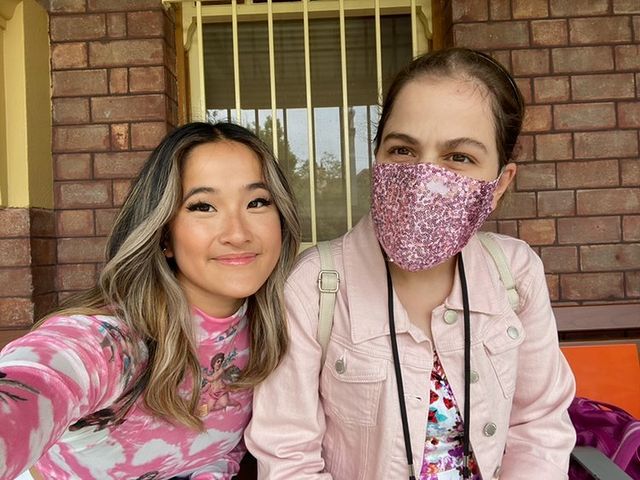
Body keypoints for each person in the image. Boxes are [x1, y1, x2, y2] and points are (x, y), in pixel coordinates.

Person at [245, 48, 576, 479]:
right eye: (402, 150)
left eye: (459, 158)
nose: (424, 177)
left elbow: (539, 425)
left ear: (499, 184)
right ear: (377, 157)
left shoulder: (514, 274)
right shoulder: (314, 286)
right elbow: (288, 456)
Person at [0, 122, 300, 479]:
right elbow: (40, 375)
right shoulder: (113, 340)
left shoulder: (283, 326)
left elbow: (224, 453)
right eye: (203, 206)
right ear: (164, 236)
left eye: (257, 202)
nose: (237, 233)